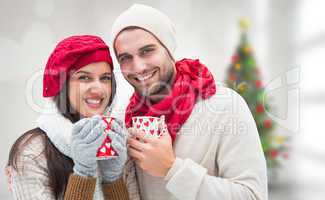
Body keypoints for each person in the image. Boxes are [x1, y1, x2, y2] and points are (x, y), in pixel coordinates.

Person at [110, 4, 268, 200]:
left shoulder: (225, 107)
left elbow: (253, 196)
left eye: (147, 51)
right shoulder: (125, 119)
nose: (138, 67)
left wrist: (172, 169)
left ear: (168, 49)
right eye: (125, 58)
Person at [6, 35, 139, 200]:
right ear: (61, 85)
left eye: (105, 78)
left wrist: (113, 179)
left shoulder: (117, 144)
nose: (98, 88)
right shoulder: (32, 154)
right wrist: (83, 173)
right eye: (84, 77)